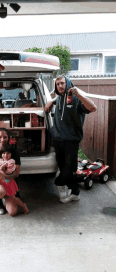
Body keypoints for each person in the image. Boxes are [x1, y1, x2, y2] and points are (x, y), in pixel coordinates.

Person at [45, 75, 97, 203]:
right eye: (58, 84)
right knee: (63, 168)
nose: (60, 86)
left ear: (68, 83)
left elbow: (93, 108)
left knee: (69, 168)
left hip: (71, 140)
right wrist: (52, 101)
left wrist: (78, 95)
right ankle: (75, 192)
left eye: (62, 83)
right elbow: (46, 109)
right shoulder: (59, 98)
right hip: (57, 139)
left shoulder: (76, 99)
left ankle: (59, 182)